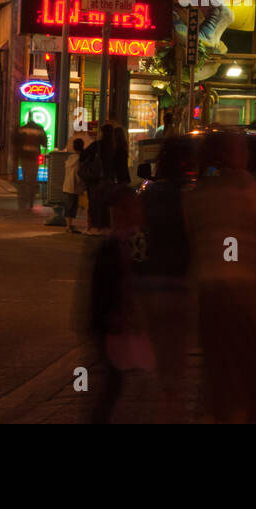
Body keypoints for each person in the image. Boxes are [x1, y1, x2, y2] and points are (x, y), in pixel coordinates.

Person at [183, 130, 256, 423]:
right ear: (234, 154)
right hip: (246, 286)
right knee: (255, 366)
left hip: (209, 287)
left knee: (220, 370)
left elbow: (193, 238)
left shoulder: (197, 192)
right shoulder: (248, 186)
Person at [132, 135, 197, 421]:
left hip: (150, 283)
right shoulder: (192, 194)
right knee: (175, 358)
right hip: (180, 284)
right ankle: (169, 408)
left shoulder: (149, 193)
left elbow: (135, 239)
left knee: (151, 356)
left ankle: (153, 406)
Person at [86, 186, 154, 423]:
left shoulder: (130, 242)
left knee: (115, 385)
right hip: (113, 326)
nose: (140, 210)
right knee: (113, 386)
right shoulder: (113, 246)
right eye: (134, 206)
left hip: (118, 325)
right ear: (121, 212)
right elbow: (107, 289)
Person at [15, 116, 48, 211]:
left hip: (24, 157)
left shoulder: (22, 129)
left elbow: (17, 141)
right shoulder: (39, 129)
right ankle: (30, 202)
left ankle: (23, 201)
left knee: (24, 179)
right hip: (34, 157)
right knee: (32, 180)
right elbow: (44, 142)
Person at [61, 137, 86, 233]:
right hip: (75, 186)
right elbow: (79, 174)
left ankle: (69, 225)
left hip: (68, 185)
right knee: (72, 206)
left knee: (70, 205)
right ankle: (68, 226)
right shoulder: (80, 160)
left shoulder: (70, 158)